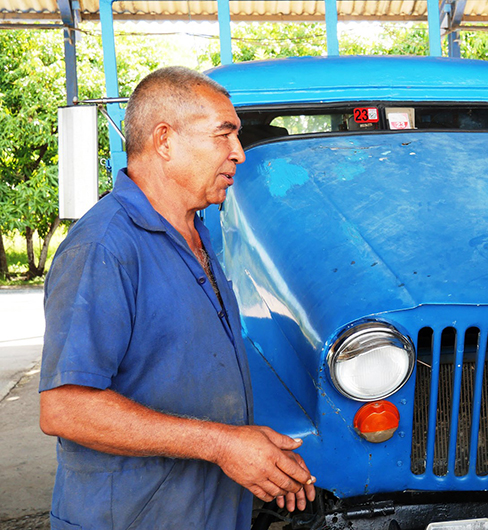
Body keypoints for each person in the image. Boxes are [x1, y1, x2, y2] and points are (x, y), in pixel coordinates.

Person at [39, 66, 315, 529]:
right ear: (164, 141)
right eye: (224, 135)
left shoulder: (197, 234)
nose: (239, 154)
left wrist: (251, 446)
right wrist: (223, 444)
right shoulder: (103, 247)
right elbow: (66, 407)